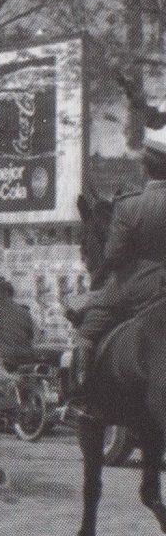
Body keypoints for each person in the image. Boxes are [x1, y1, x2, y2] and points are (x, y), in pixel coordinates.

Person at [69, 133, 166, 417]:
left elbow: (113, 256)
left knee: (86, 334)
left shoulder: (129, 205)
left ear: (145, 169)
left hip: (135, 287)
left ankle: (83, 397)